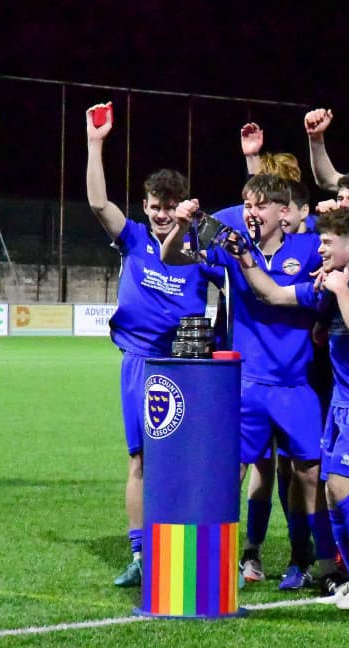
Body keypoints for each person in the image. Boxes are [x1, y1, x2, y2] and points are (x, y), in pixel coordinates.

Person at [163, 174, 340, 592]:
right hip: (248, 387)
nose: (251, 213)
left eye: (261, 205)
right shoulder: (231, 248)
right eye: (247, 205)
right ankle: (213, 562)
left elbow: (313, 276)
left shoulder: (308, 249)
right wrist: (181, 226)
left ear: (284, 211)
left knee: (310, 475)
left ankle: (323, 564)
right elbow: (173, 257)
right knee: (231, 473)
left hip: (296, 385)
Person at [230, 207, 349, 610]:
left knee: (341, 485)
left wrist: (340, 292)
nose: (318, 249)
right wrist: (246, 258)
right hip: (340, 400)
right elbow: (274, 294)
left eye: (326, 242)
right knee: (331, 490)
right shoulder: (330, 282)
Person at [85, 102, 220, 587]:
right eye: (156, 207)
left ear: (183, 206)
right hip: (141, 364)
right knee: (140, 460)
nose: (162, 214)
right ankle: (141, 553)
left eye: (170, 206)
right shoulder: (134, 239)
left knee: (189, 461)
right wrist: (95, 143)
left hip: (189, 365)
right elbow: (98, 204)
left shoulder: (198, 249)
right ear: (145, 207)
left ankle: (196, 547)